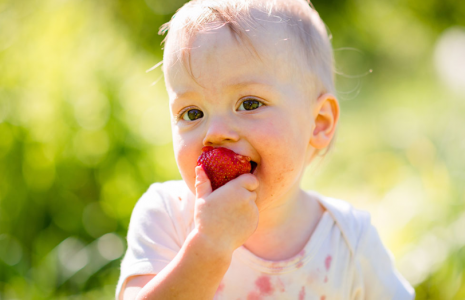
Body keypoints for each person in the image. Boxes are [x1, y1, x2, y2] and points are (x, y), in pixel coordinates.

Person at [116, 0, 415, 299]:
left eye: (249, 104)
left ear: (318, 123)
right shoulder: (168, 216)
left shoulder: (350, 242)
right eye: (193, 113)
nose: (215, 133)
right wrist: (209, 247)